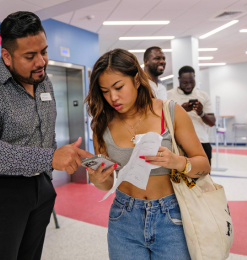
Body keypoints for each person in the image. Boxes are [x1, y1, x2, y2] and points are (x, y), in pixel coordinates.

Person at [0, 11, 93, 260]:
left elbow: (46, 132)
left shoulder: (45, 83)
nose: (41, 62)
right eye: (30, 56)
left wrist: (55, 166)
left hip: (40, 189)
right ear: (7, 56)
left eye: (43, 51)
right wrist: (50, 158)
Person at [85, 49, 210, 260]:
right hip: (124, 218)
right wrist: (97, 178)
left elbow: (203, 165)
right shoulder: (101, 123)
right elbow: (107, 184)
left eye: (118, 87)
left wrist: (177, 161)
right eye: (105, 91)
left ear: (136, 79)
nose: (112, 97)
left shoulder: (171, 111)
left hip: (172, 217)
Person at [167, 66, 215, 165]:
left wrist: (201, 112)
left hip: (201, 142)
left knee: (204, 178)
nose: (189, 85)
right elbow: (163, 119)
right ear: (179, 79)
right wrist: (181, 110)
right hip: (178, 144)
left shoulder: (203, 95)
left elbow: (212, 122)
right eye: (185, 83)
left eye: (191, 82)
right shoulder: (169, 95)